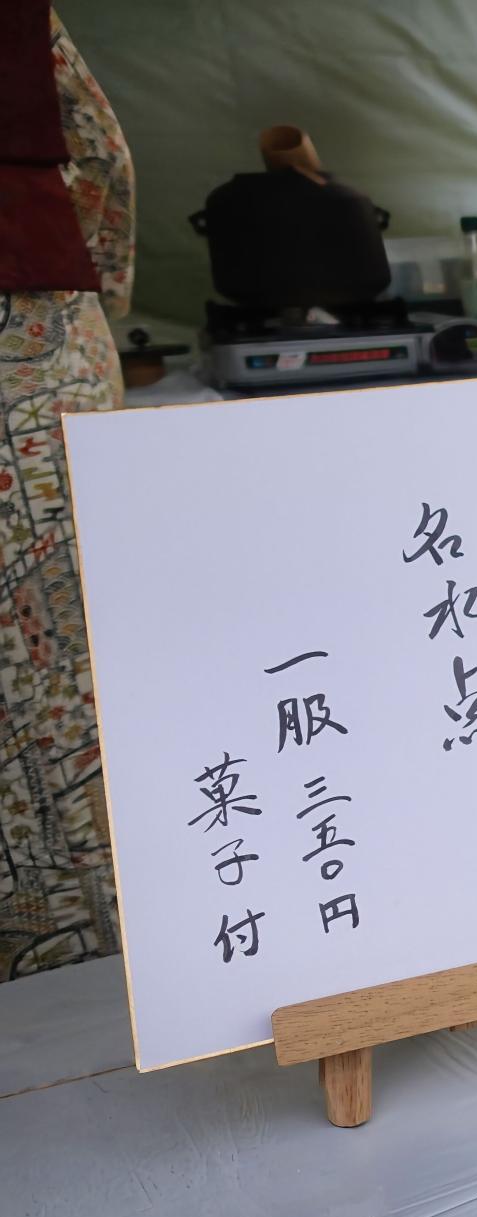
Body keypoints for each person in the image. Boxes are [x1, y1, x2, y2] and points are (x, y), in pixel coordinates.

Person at [0, 5, 132, 979]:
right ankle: (90, 954)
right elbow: (100, 153)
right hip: (36, 332)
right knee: (74, 681)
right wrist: (106, 315)